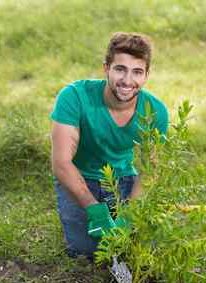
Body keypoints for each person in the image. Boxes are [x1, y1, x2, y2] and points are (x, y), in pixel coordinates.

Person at [50, 32, 169, 259]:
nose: (127, 80)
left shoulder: (155, 111)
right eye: (120, 69)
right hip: (80, 176)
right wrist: (93, 209)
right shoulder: (74, 96)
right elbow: (61, 164)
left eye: (137, 72)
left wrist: (130, 215)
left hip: (122, 177)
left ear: (146, 76)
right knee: (86, 251)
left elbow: (150, 170)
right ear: (106, 68)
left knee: (142, 245)